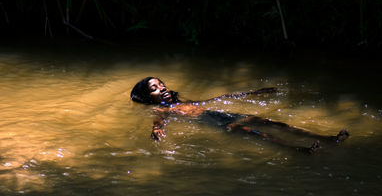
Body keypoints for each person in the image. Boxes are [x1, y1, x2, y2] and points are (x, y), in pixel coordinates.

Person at [130, 77, 349, 154]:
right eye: (155, 88)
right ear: (149, 97)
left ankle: (327, 139)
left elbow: (213, 101)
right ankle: (298, 150)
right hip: (213, 123)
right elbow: (159, 121)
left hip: (219, 114)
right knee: (254, 133)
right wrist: (156, 131)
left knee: (272, 122)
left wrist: (252, 94)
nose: (162, 88)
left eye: (161, 84)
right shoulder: (162, 109)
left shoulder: (181, 102)